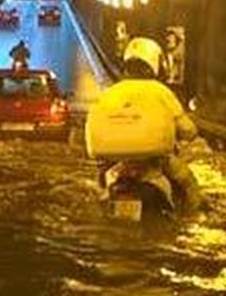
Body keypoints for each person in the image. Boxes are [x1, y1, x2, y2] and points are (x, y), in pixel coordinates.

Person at [85, 37, 202, 214]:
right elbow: (187, 130)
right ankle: (191, 217)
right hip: (155, 162)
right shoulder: (161, 92)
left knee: (99, 188)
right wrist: (190, 133)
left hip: (114, 166)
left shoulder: (110, 92)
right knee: (188, 184)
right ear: (156, 63)